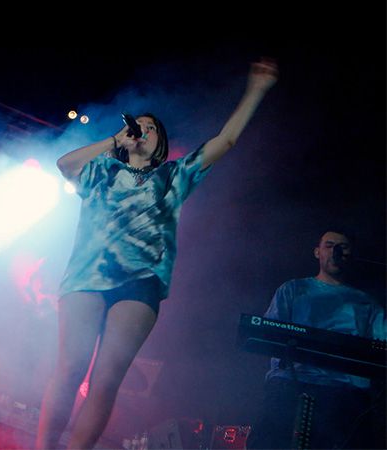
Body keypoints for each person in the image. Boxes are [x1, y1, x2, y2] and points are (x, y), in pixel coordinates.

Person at [35, 58, 278, 450]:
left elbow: (225, 141)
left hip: (141, 282)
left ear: (160, 142)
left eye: (151, 128)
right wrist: (114, 141)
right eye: (139, 125)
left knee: (106, 378)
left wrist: (256, 90)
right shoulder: (102, 171)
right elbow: (65, 165)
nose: (143, 130)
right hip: (86, 276)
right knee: (70, 367)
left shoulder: (173, 176)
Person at [247, 229, 386, 449]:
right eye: (329, 245)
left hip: (344, 394)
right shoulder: (293, 290)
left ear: (351, 255)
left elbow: (381, 348)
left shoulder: (367, 304)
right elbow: (270, 334)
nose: (335, 251)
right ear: (317, 252)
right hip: (290, 384)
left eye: (343, 247)